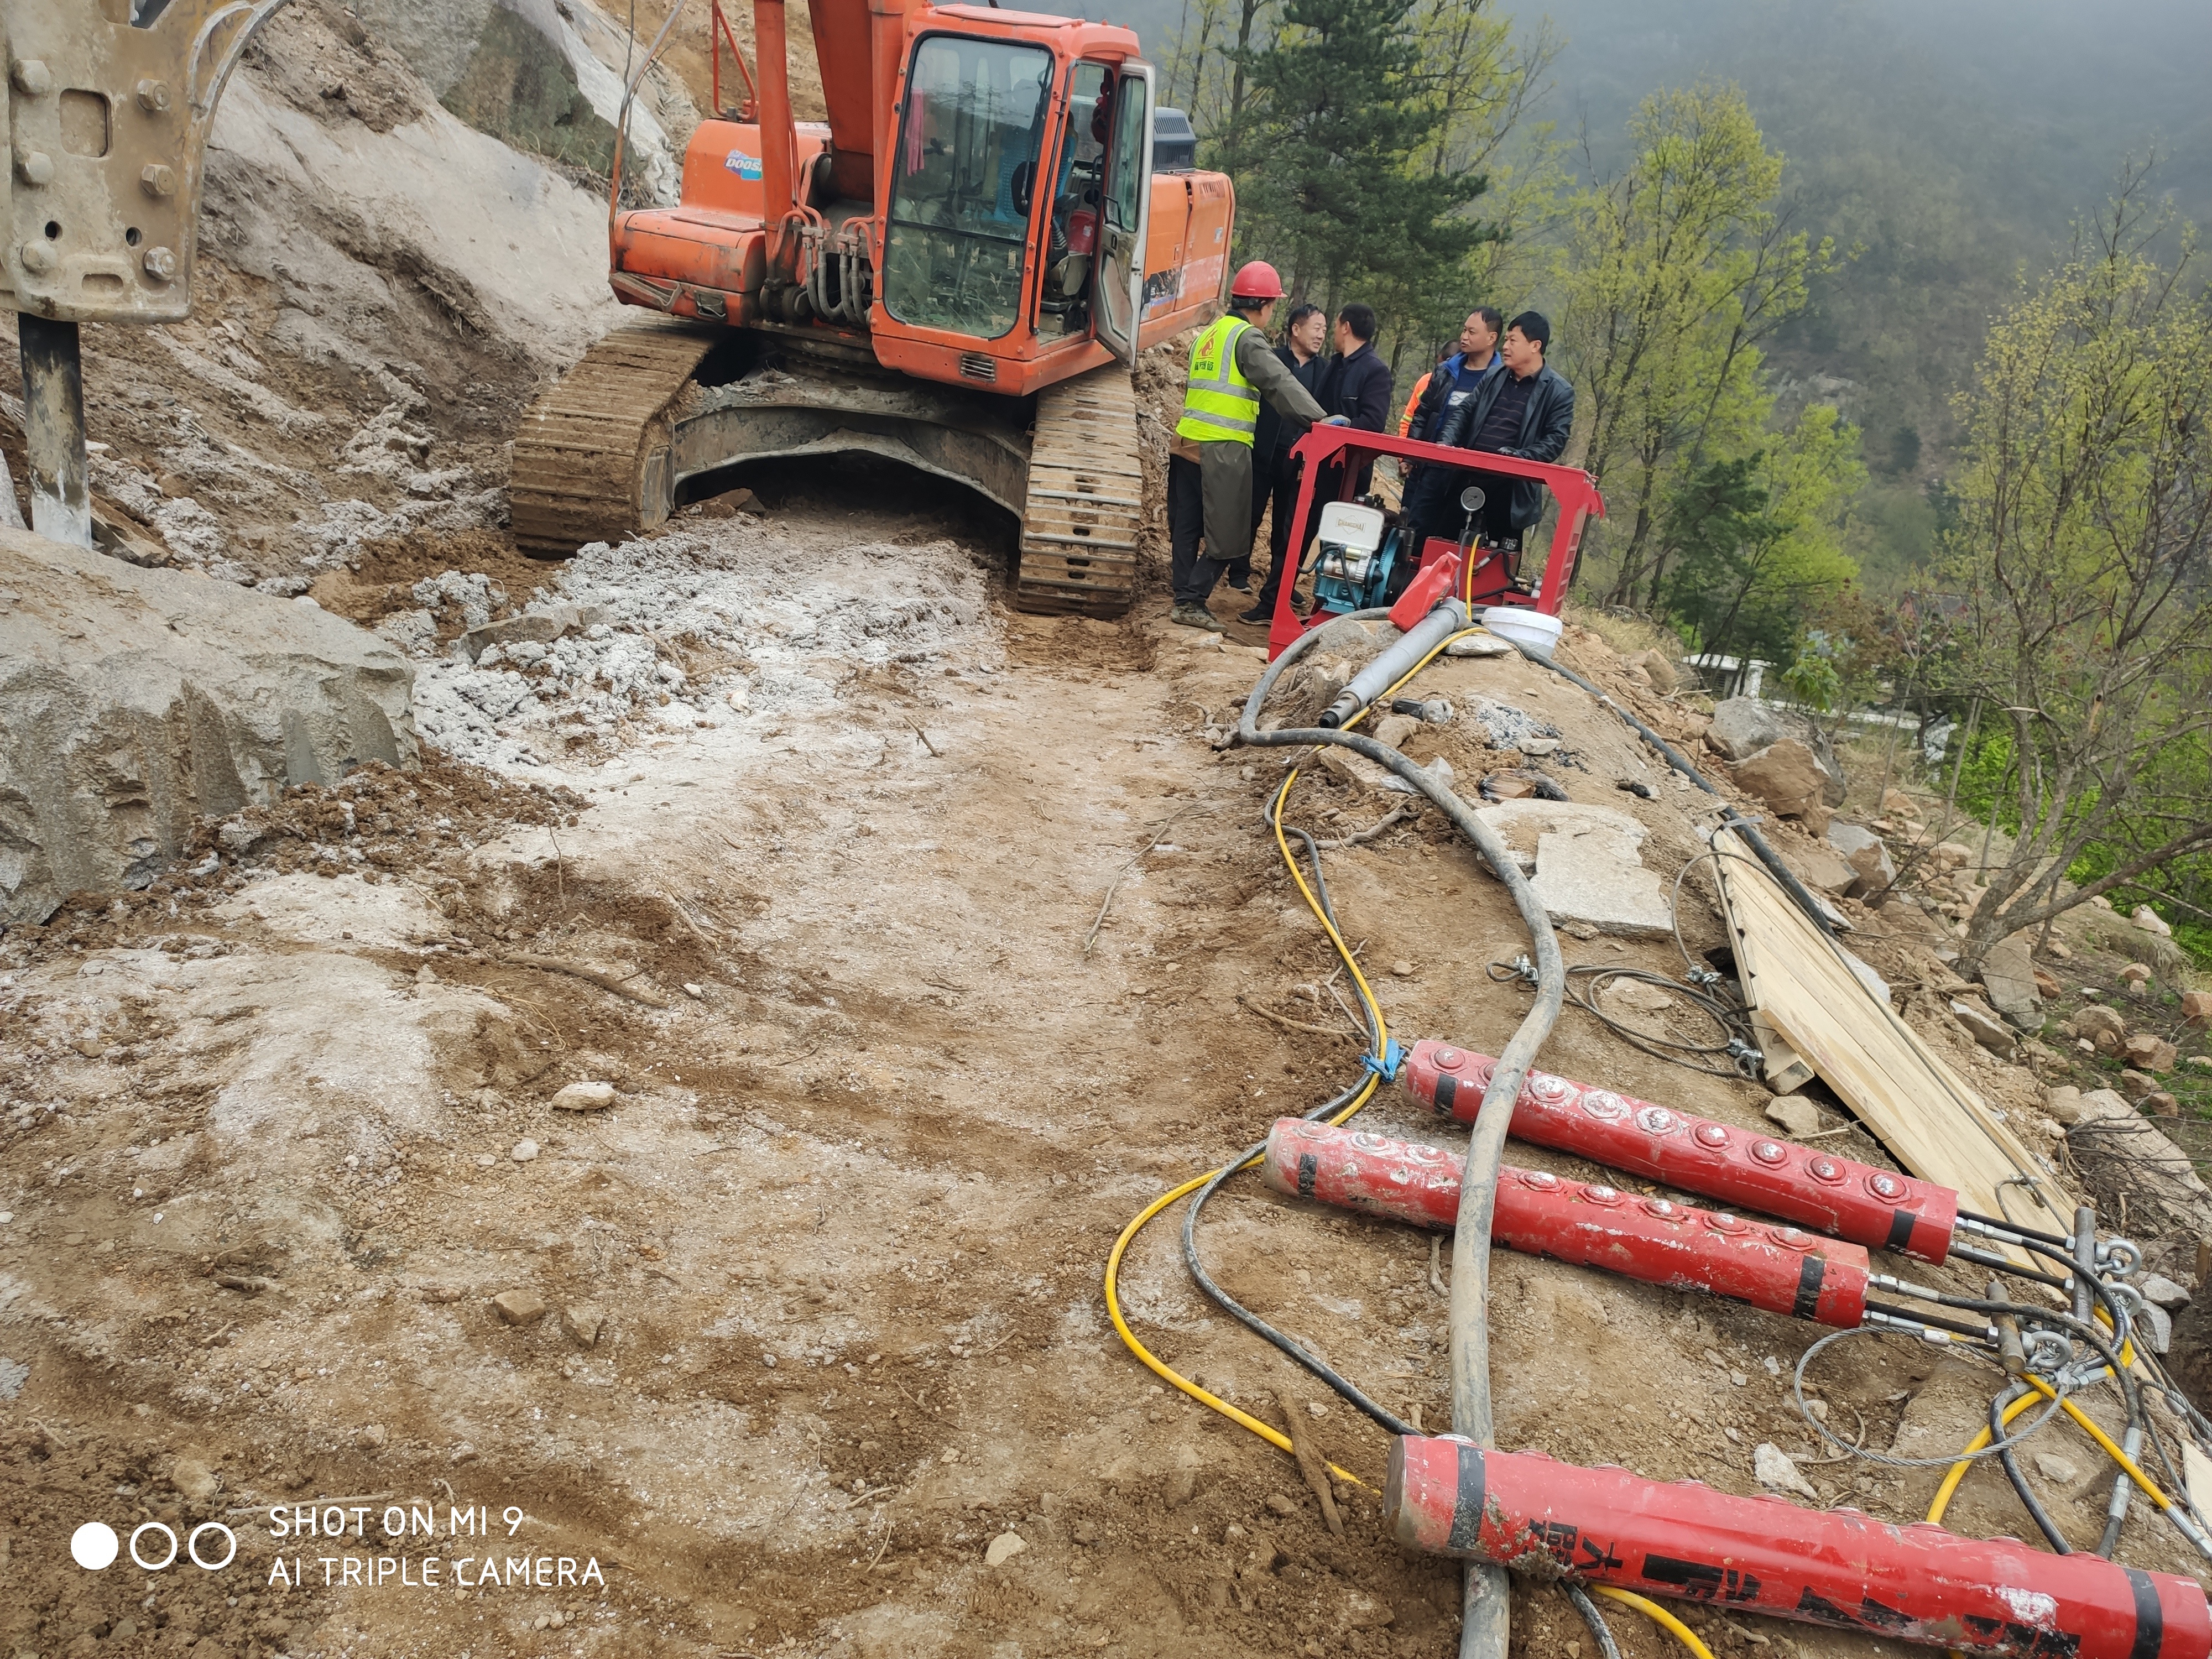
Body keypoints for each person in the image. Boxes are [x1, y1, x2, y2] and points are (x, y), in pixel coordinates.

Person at [1167, 263, 1340, 631]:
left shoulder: (1210, 334)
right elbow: (1279, 382)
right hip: (1222, 447)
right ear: (1263, 305)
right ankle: (1191, 600)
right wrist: (1319, 420)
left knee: (1187, 525)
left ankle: (1183, 595)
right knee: (1232, 534)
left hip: (1186, 440)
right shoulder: (1247, 337)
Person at [1416, 311, 1575, 567]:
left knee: (1500, 567)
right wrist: (1446, 444)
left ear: (1535, 346)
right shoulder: (1494, 376)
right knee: (1440, 552)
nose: (1506, 346)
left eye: (1513, 340)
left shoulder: (1559, 392)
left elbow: (1555, 440)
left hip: (1510, 490)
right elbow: (1464, 412)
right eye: (1507, 339)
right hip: (1466, 477)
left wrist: (1518, 457)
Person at [1232, 302, 1327, 612]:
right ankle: (1238, 572)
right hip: (1263, 451)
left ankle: (1281, 581)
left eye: (1325, 330)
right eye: (1317, 328)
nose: (1321, 335)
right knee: (1250, 512)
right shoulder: (1270, 358)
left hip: (1298, 459)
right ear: (1295, 329)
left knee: (1286, 524)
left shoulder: (1323, 371)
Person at [1399, 307, 1502, 442]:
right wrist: (1410, 456)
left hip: (1469, 461)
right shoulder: (1444, 372)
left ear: (1491, 338)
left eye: (1472, 332)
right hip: (1430, 458)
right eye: (1464, 330)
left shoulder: (1501, 380)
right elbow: (1422, 416)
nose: (1464, 337)